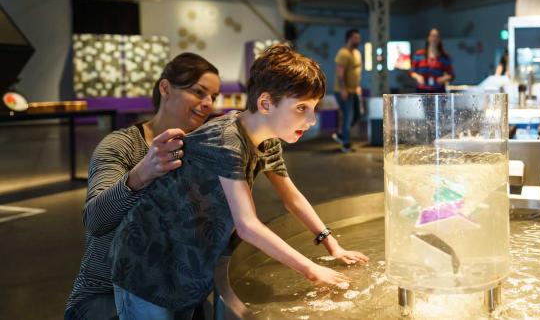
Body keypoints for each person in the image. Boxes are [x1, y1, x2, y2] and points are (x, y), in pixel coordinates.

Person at [108, 44, 368, 319]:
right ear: (266, 103)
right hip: (146, 263)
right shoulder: (227, 140)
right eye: (302, 107)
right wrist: (312, 271)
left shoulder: (267, 141)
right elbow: (248, 225)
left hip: (187, 259)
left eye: (313, 108)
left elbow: (291, 198)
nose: (312, 120)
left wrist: (332, 244)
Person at [65, 53, 221, 320]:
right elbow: (95, 220)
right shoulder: (121, 146)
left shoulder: (200, 150)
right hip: (106, 294)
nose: (207, 103)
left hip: (172, 293)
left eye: (213, 97)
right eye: (198, 92)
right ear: (165, 88)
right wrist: (142, 173)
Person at [332, 28, 362, 153]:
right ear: (349, 38)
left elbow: (356, 72)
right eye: (355, 38)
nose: (358, 40)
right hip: (343, 91)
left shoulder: (357, 53)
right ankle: (345, 143)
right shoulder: (343, 53)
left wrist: (358, 87)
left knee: (357, 115)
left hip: (354, 90)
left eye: (358, 38)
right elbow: (340, 73)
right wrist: (343, 89)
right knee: (348, 117)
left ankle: (341, 135)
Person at [409, 28, 454, 93]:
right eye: (432, 36)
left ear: (439, 39)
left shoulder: (444, 57)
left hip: (438, 90)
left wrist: (443, 79)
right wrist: (418, 77)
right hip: (422, 90)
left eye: (437, 36)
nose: (434, 38)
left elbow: (451, 75)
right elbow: (412, 72)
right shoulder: (419, 54)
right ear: (428, 38)